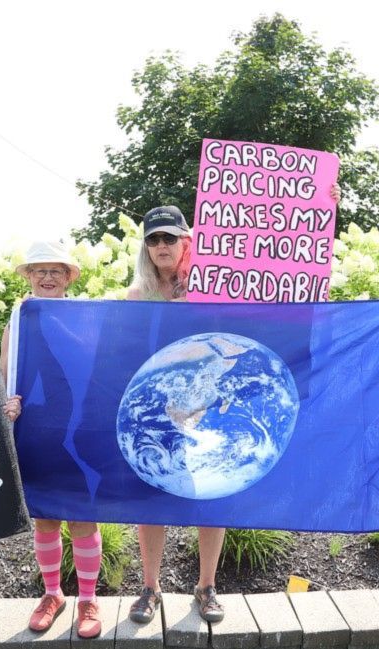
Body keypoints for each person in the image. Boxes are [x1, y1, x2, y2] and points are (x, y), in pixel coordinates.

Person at [125, 205, 227, 624]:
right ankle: (150, 587)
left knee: (212, 496)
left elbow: (279, 275)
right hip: (157, 409)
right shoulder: (135, 297)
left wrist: (322, 201)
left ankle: (207, 586)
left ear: (188, 240)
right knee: (152, 497)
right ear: (145, 248)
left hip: (208, 406)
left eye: (170, 237)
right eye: (153, 239)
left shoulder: (216, 286)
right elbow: (126, 353)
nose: (162, 245)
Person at [0, 241, 105, 639]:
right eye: (39, 271)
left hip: (81, 424)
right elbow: (6, 372)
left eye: (55, 271)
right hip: (37, 427)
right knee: (44, 517)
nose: (46, 277)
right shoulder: (19, 319)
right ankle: (52, 593)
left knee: (82, 515)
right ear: (28, 277)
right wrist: (7, 403)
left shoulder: (88, 316)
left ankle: (89, 599)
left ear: (68, 277)